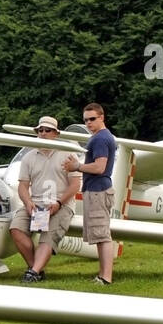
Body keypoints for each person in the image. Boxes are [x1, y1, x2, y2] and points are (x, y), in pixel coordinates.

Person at [9, 115, 80, 283]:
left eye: (47, 130)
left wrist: (59, 203)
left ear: (56, 133)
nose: (43, 133)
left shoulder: (68, 154)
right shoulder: (29, 157)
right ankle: (36, 270)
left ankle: (33, 271)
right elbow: (23, 186)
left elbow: (76, 184)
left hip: (62, 205)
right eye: (40, 130)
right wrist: (28, 203)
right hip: (36, 204)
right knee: (16, 229)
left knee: (47, 238)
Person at [63, 102, 117, 284]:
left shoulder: (100, 138)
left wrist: (76, 166)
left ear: (102, 117)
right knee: (101, 235)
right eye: (85, 120)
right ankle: (102, 275)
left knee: (102, 235)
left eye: (92, 119)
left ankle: (106, 277)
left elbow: (100, 167)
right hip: (98, 190)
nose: (88, 123)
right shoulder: (102, 137)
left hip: (98, 190)